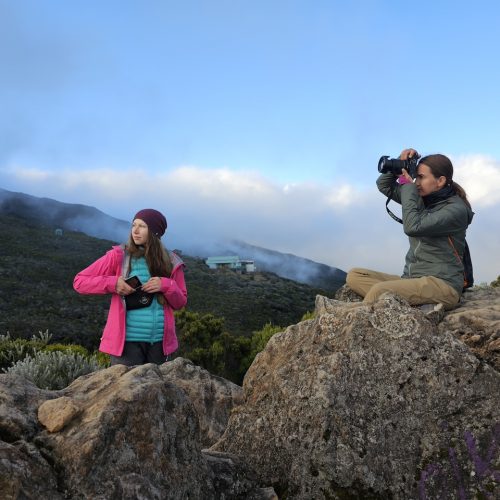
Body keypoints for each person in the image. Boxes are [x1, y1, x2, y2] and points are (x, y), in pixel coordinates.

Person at [346, 148, 473, 310]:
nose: (416, 182)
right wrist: (400, 162)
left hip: (443, 285)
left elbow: (413, 226)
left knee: (380, 291)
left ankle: (360, 318)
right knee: (355, 275)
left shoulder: (456, 210)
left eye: (421, 177)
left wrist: (407, 186)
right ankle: (390, 303)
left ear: (440, 181)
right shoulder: (424, 199)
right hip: (412, 279)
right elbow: (384, 185)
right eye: (416, 176)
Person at [74, 208, 187, 366]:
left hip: (160, 346)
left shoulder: (172, 262)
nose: (135, 230)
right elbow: (80, 281)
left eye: (142, 226)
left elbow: (180, 302)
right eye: (134, 225)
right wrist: (114, 283)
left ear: (155, 232)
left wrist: (166, 285)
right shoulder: (118, 256)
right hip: (127, 345)